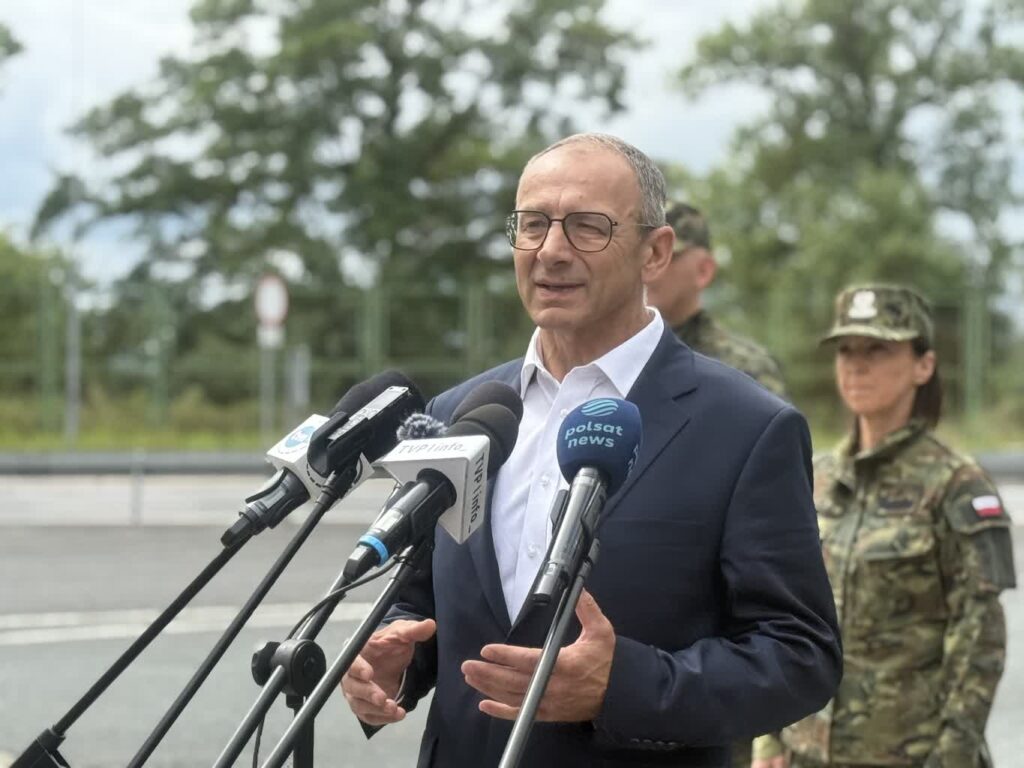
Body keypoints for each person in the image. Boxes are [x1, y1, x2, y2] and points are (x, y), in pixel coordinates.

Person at [341, 133, 842, 768]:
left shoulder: (745, 427)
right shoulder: (461, 415)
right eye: (532, 225)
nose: (551, 250)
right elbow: (427, 603)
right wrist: (393, 661)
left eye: (587, 227)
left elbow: (801, 654)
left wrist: (623, 686)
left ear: (655, 253)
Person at [752, 284, 1016, 768]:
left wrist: (951, 758)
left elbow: (979, 644)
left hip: (908, 754)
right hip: (805, 751)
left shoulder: (957, 485)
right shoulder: (817, 477)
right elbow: (780, 613)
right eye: (846, 350)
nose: (856, 364)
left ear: (924, 365)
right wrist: (771, 738)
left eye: (879, 349)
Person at [645, 203, 787, 397]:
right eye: (640, 253)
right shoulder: (605, 354)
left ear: (704, 271)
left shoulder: (745, 368)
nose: (648, 265)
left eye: (663, 254)